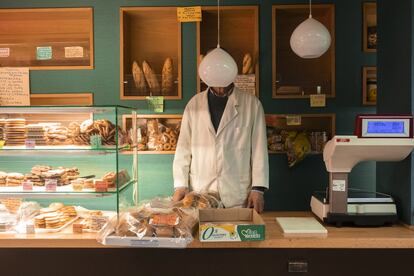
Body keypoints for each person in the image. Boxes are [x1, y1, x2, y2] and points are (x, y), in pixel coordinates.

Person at [172, 79, 269, 213]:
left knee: (237, 232)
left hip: (238, 195)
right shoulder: (194, 104)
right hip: (201, 194)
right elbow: (183, 149)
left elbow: (259, 150)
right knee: (203, 233)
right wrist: (180, 185)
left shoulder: (252, 104)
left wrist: (258, 188)